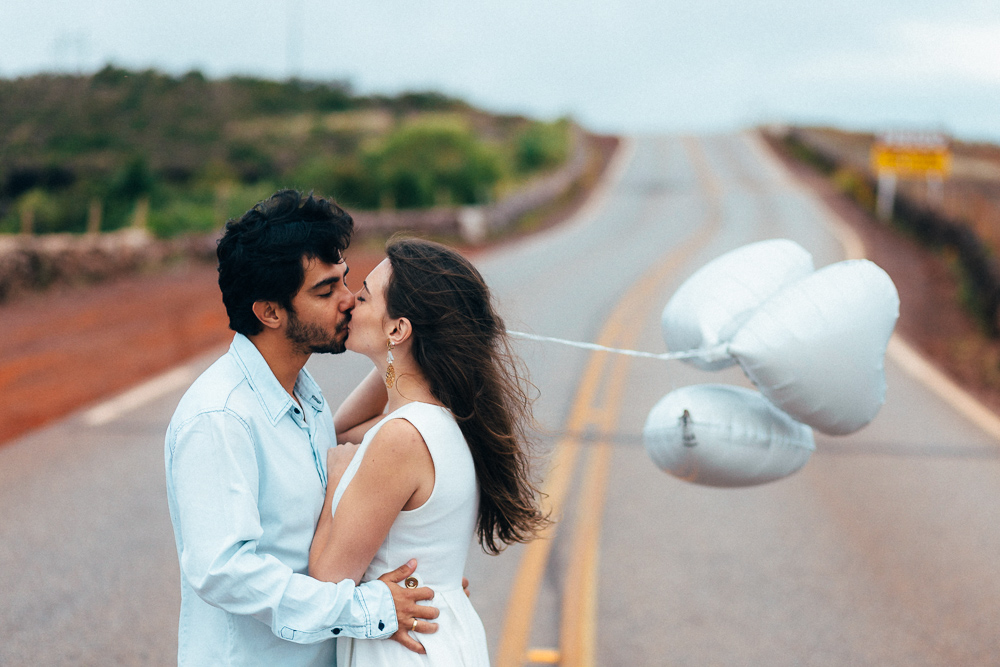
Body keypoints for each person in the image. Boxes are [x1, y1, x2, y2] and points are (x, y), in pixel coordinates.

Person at [164, 190, 440, 666]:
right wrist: (365, 608)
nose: (349, 300)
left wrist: (423, 582)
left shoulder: (306, 397)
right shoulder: (220, 417)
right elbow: (223, 571)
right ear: (270, 312)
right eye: (324, 291)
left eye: (345, 281)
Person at [308, 236, 548, 665]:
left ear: (399, 327)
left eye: (362, 297)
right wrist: (392, 358)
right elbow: (342, 429)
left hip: (404, 651)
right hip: (439, 636)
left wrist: (336, 486)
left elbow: (328, 580)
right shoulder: (442, 420)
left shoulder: (401, 438)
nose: (349, 305)